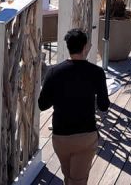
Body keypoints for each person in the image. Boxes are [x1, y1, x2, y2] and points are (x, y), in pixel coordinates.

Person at [38, 29, 110, 185]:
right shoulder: (96, 73)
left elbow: (42, 105)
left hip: (60, 138)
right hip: (85, 137)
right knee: (77, 181)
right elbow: (104, 106)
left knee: (69, 178)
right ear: (85, 48)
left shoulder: (53, 72)